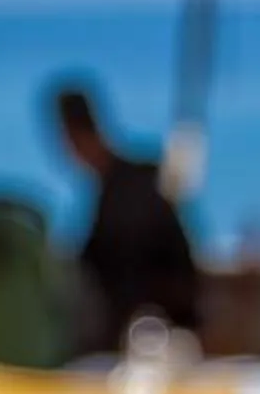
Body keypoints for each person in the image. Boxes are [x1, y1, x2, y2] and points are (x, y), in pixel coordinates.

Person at [49, 80, 201, 353]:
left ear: (73, 135)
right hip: (135, 340)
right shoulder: (123, 183)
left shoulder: (134, 186)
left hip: (153, 340)